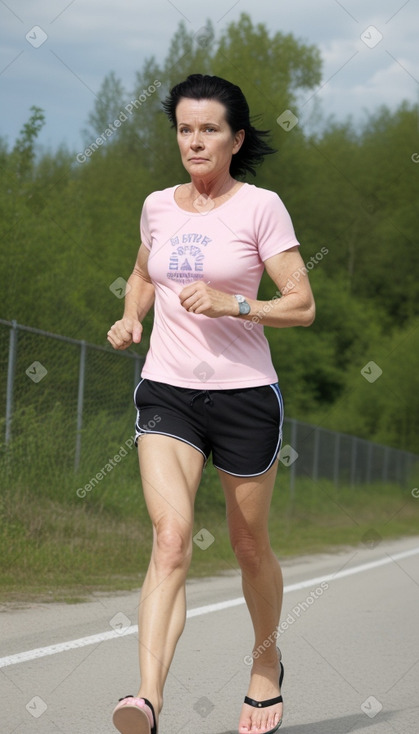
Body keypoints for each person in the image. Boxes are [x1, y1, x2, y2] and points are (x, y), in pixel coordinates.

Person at [107, 73, 315, 734]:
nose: (194, 141)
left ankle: (264, 662)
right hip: (168, 392)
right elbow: (143, 273)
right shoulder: (157, 206)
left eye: (208, 130)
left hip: (245, 396)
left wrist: (237, 303)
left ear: (235, 138)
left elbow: (302, 305)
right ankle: (146, 697)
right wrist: (130, 316)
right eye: (184, 129)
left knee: (247, 544)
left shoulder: (260, 207)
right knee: (169, 540)